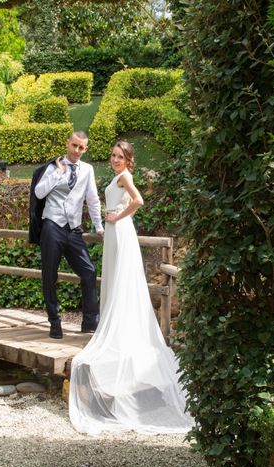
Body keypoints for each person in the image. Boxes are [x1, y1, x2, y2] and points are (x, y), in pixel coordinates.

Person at [69, 140, 194, 435]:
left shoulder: (125, 177)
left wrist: (117, 217)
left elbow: (138, 201)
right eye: (113, 155)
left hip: (121, 230)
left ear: (128, 160)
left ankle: (121, 332)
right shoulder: (117, 176)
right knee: (114, 280)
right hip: (115, 232)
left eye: (120, 156)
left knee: (122, 280)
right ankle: (119, 329)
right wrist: (113, 219)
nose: (115, 160)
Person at [34, 131, 104, 339]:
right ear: (67, 143)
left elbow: (92, 200)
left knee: (89, 271)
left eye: (81, 147)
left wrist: (98, 226)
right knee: (50, 275)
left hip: (73, 229)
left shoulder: (88, 170)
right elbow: (39, 193)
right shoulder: (52, 167)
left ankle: (90, 322)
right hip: (52, 226)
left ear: (86, 149)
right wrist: (58, 173)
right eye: (74, 145)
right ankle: (55, 322)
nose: (77, 150)